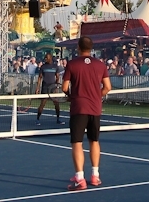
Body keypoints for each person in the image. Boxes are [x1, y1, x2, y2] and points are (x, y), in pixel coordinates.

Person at [63, 36, 111, 191]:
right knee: (94, 141)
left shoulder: (72, 64)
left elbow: (64, 87)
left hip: (79, 108)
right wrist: (97, 96)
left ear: (78, 47)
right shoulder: (100, 64)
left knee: (77, 142)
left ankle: (80, 178)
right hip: (95, 108)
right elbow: (107, 87)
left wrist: (71, 96)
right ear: (91, 48)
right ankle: (95, 176)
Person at [36, 53, 64, 126]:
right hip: (45, 87)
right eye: (45, 57)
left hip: (53, 88)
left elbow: (57, 77)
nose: (45, 59)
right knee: (42, 104)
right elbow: (40, 78)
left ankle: (58, 119)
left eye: (47, 57)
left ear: (50, 58)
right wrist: (37, 88)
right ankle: (38, 119)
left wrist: (56, 87)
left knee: (56, 104)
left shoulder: (55, 66)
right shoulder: (43, 67)